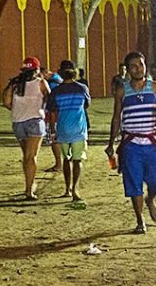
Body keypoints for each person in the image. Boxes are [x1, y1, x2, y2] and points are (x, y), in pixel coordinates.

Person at [106, 51, 156, 235]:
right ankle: (140, 220)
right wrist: (111, 143)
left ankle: (150, 199)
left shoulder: (155, 87)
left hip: (151, 143)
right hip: (131, 145)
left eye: (141, 65)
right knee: (134, 184)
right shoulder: (122, 91)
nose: (138, 69)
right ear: (127, 69)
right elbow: (116, 118)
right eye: (133, 66)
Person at [2, 57, 49, 200]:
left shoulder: (14, 84)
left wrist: (18, 110)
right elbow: (50, 99)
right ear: (37, 69)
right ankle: (29, 189)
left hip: (18, 122)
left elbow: (6, 101)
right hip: (35, 121)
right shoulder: (41, 83)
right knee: (31, 157)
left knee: (26, 156)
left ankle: (29, 184)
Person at [47, 60, 90, 207]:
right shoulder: (82, 88)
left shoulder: (56, 91)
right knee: (77, 160)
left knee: (66, 159)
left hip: (63, 129)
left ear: (60, 73)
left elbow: (52, 112)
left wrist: (53, 130)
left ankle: (67, 189)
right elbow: (87, 105)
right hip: (79, 129)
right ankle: (75, 189)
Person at [42, 67, 64, 172]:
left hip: (54, 115)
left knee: (54, 140)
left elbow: (50, 101)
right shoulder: (59, 80)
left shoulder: (52, 84)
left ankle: (59, 164)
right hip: (63, 114)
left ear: (45, 73)